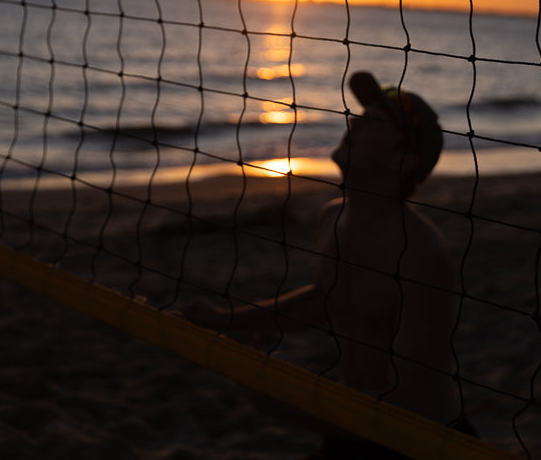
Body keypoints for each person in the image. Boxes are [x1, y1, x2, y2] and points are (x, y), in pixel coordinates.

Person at [185, 71, 475, 458]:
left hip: (417, 442)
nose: (354, 122)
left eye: (374, 122)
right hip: (353, 425)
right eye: (360, 114)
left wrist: (285, 402)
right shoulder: (333, 216)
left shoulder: (421, 254)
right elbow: (325, 300)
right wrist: (226, 319)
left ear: (403, 159)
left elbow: (413, 406)